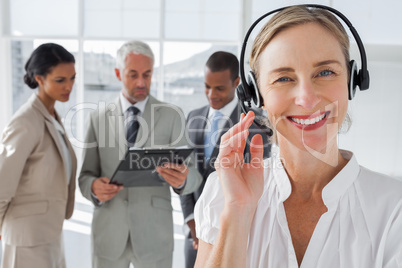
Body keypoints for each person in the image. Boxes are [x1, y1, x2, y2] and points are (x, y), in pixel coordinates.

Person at [194, 5, 402, 268]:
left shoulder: (395, 208)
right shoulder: (222, 194)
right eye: (283, 78)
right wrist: (237, 211)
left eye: (325, 72)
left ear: (352, 81)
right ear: (256, 96)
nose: (307, 99)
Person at [78, 40, 202, 268]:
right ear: (118, 73)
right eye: (133, 74)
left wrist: (183, 180)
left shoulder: (171, 115)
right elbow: (85, 176)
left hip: (154, 235)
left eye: (147, 74)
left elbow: (194, 176)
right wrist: (94, 187)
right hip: (109, 234)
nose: (141, 82)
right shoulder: (97, 118)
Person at [180, 51, 270, 268]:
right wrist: (192, 221)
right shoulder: (193, 116)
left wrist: (227, 229)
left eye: (219, 88)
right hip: (193, 236)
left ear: (236, 83)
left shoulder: (255, 122)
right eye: (207, 86)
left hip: (235, 236)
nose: (211, 94)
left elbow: (260, 183)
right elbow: (186, 173)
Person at [0, 43, 77, 268]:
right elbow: (2, 183)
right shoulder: (26, 121)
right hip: (27, 239)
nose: (69, 86)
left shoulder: (51, 116)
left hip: (48, 233)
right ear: (39, 79)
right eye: (60, 80)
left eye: (72, 78)